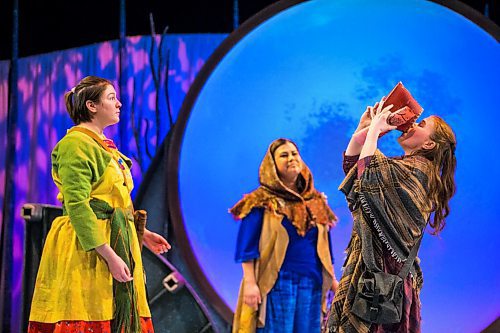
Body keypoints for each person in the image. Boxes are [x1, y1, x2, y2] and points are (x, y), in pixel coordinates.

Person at [28, 76, 171, 333]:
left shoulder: (106, 148)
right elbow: (78, 206)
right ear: (92, 106)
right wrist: (109, 255)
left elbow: (116, 201)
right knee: (91, 313)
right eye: (111, 98)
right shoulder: (76, 145)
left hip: (115, 238)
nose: (119, 104)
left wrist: (142, 234)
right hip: (89, 248)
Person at [327, 98, 457, 333]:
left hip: (386, 278)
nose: (412, 124)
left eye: (421, 124)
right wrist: (362, 132)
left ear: (429, 144)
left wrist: (376, 130)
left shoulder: (419, 173)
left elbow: (368, 178)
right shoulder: (401, 167)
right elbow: (356, 170)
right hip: (373, 273)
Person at [230, 138, 339, 333]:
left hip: (312, 281)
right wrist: (250, 283)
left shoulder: (315, 201)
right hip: (277, 281)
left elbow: (324, 246)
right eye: (284, 155)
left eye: (294, 154)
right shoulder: (261, 200)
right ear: (272, 164)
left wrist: (333, 281)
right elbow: (247, 247)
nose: (291, 158)